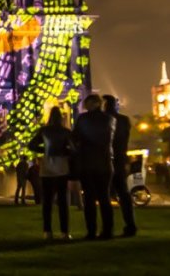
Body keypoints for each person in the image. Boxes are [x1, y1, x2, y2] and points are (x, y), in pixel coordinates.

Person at [72, 93, 114, 240]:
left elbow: (75, 138)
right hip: (104, 163)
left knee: (89, 199)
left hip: (88, 163)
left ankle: (91, 231)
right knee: (104, 198)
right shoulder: (108, 119)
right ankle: (107, 230)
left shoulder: (83, 119)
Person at [27, 106, 72, 240]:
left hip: (47, 167)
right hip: (62, 167)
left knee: (47, 201)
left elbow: (31, 145)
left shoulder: (44, 131)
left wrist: (44, 150)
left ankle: (47, 231)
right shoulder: (66, 131)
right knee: (63, 202)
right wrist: (65, 152)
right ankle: (64, 232)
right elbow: (74, 149)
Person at [103, 95, 137, 237]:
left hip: (105, 159)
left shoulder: (104, 120)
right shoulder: (124, 120)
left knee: (104, 194)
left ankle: (108, 228)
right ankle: (130, 224)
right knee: (123, 193)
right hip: (120, 159)